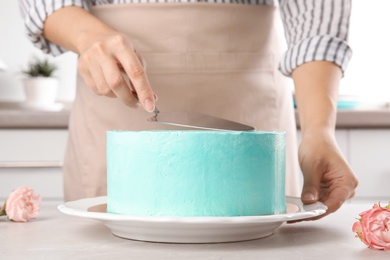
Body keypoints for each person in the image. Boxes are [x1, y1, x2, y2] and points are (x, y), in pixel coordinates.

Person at [19, 0, 357, 220]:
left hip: (251, 98)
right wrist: (88, 35)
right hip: (114, 100)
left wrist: (319, 131)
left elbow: (317, 23)